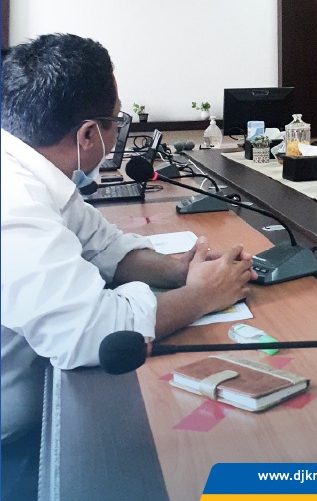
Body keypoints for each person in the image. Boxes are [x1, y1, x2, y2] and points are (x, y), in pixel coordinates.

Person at [1, 33, 256, 491]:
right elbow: (92, 334)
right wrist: (202, 295)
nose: (116, 132)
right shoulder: (14, 202)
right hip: (14, 445)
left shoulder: (34, 171)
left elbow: (103, 245)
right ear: (87, 135)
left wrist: (179, 270)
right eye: (115, 122)